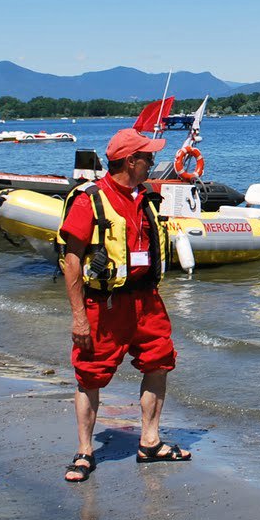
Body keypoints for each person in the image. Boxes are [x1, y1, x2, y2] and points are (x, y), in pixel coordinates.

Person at [58, 127, 192, 483]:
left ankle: (150, 441)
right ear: (130, 161)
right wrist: (78, 317)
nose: (152, 162)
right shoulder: (90, 200)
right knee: (90, 373)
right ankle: (85, 451)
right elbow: (72, 260)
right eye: (147, 157)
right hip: (105, 305)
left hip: (147, 300)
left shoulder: (145, 197)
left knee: (160, 361)